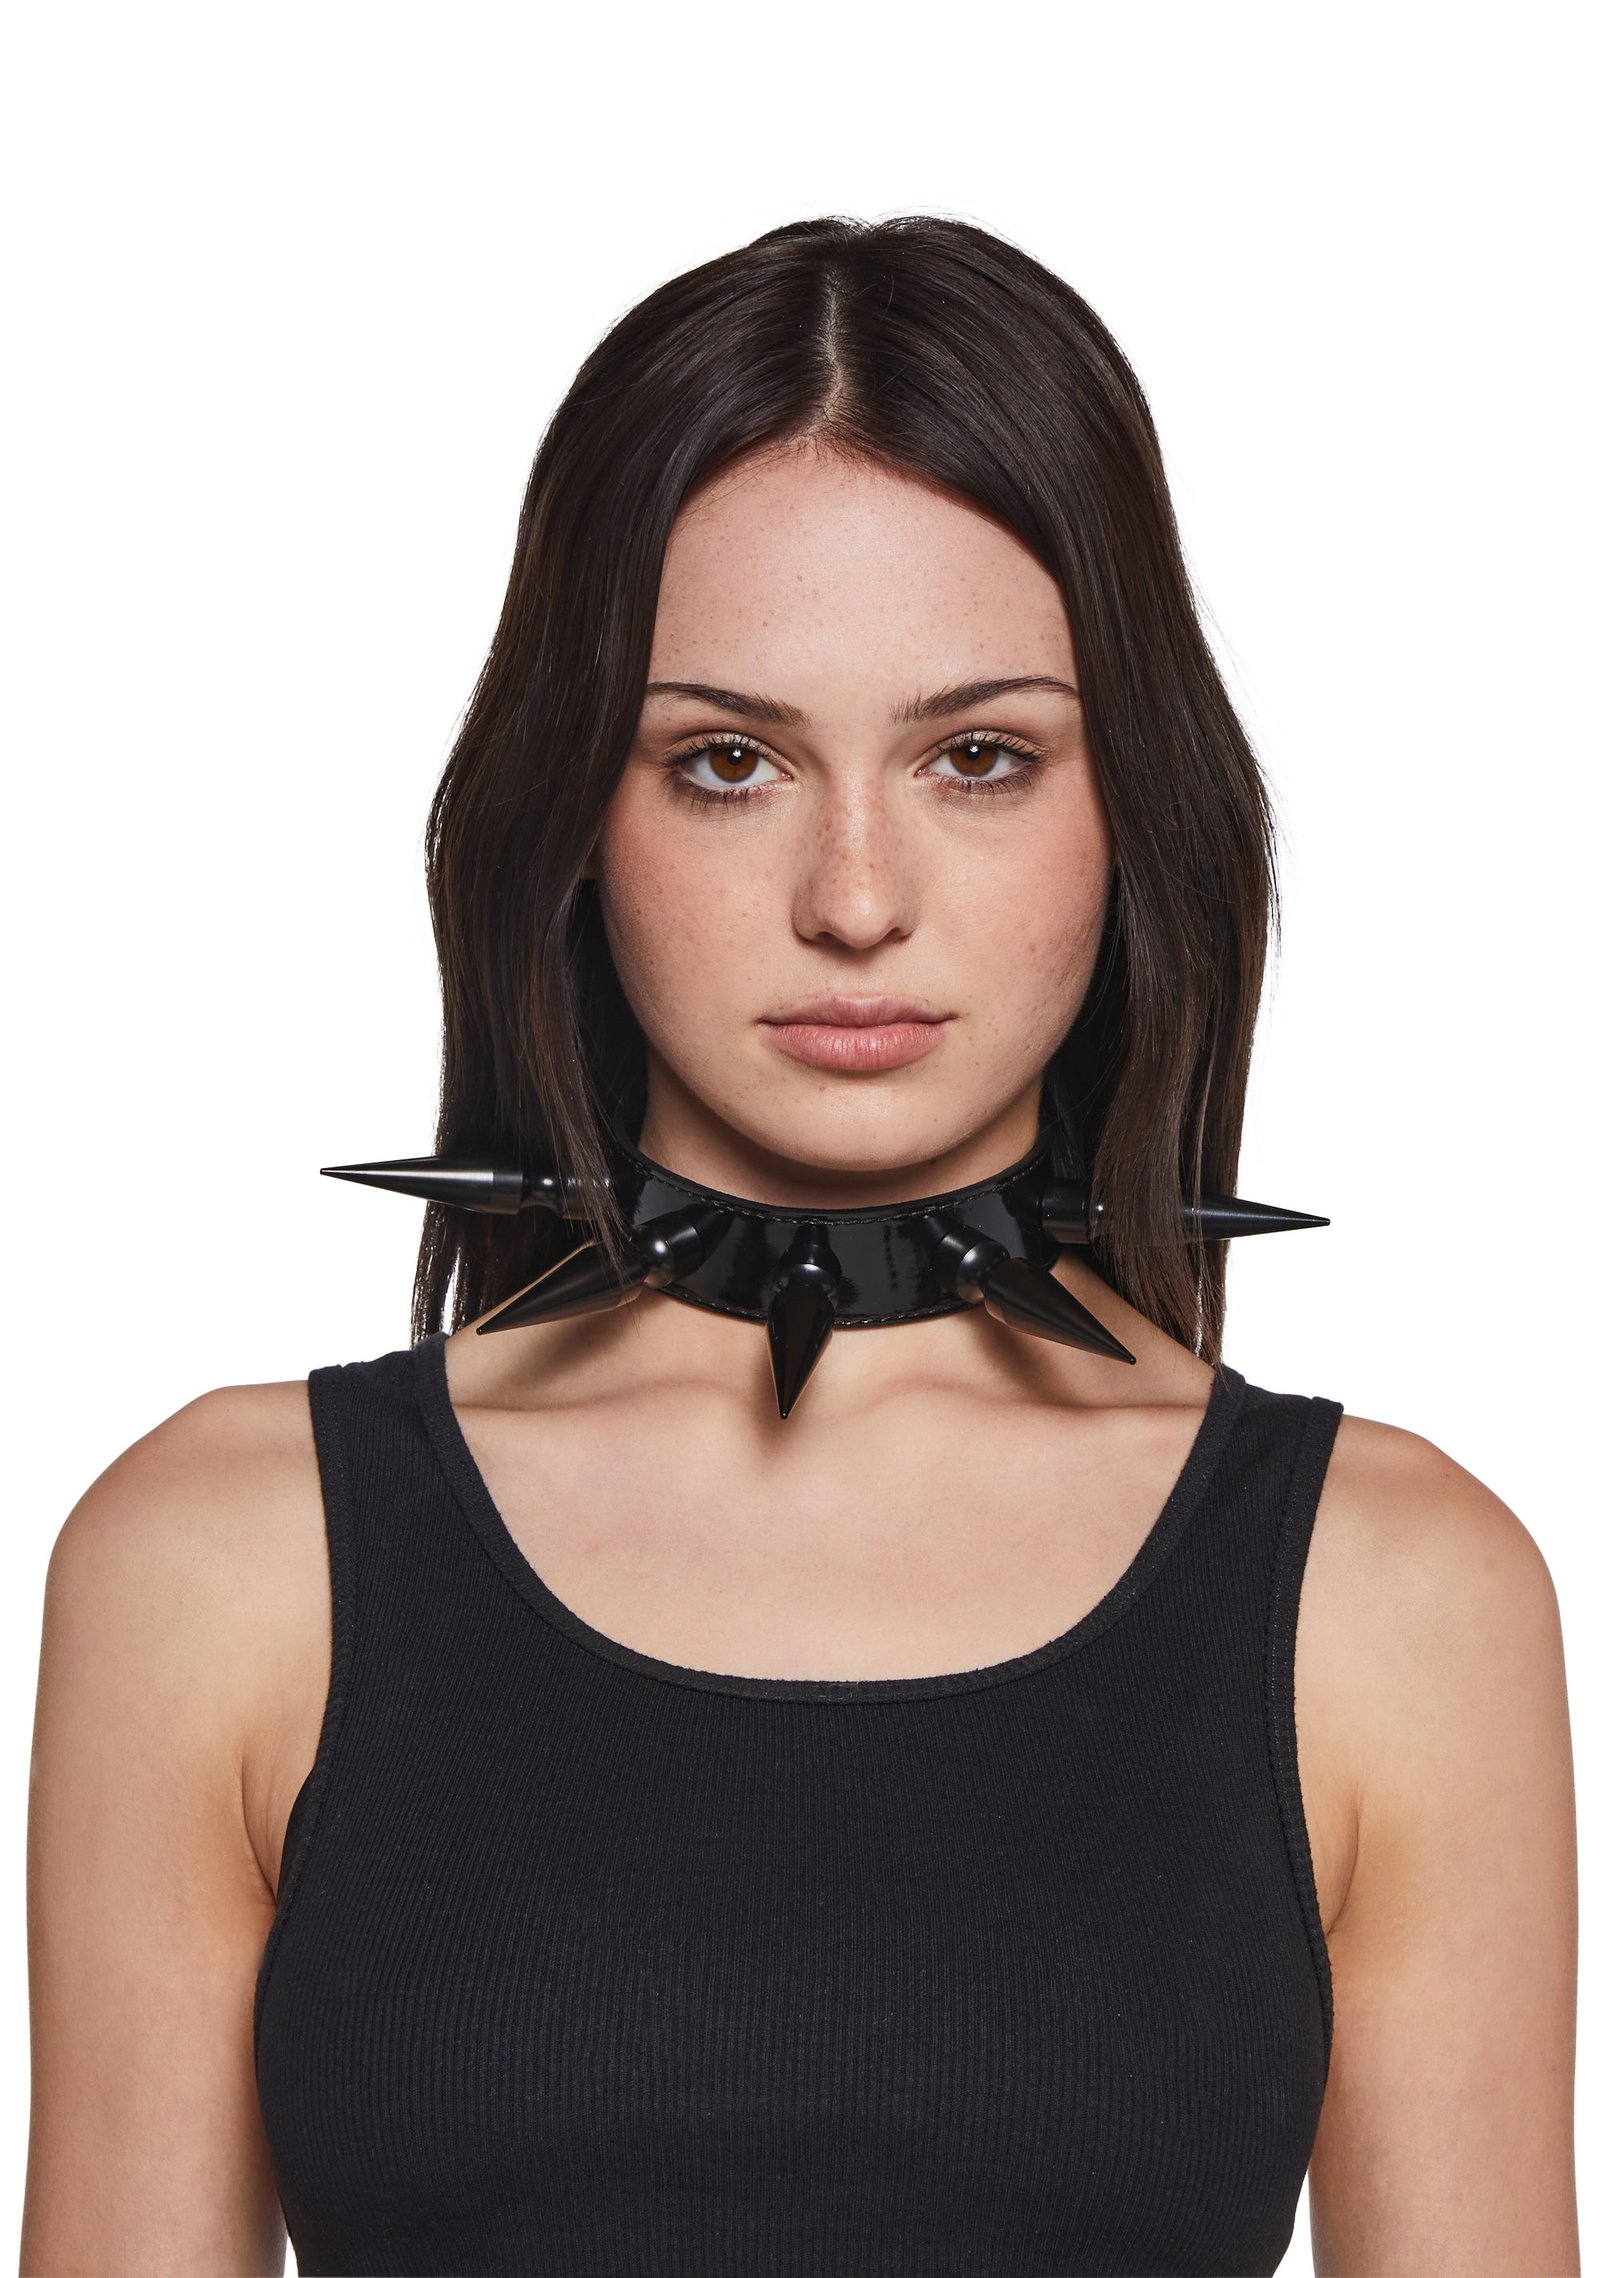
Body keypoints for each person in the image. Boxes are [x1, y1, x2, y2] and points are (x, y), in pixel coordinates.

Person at [22, 216, 1578, 2276]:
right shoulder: (221, 1564)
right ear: (574, 806)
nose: (855, 898)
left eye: (978, 756)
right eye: (728, 761)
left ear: (1133, 804)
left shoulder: (1397, 1596)